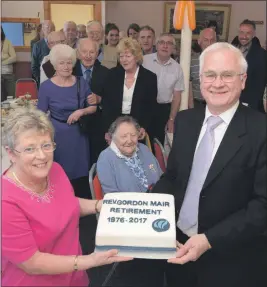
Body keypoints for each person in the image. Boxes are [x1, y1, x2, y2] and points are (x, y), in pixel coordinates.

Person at [153, 42, 267, 287]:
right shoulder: (185, 121)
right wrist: (146, 210)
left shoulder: (261, 130)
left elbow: (262, 205)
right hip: (178, 247)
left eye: (227, 75)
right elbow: (173, 178)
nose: (217, 83)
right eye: (211, 75)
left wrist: (209, 239)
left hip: (231, 259)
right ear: (200, 78)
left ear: (243, 80)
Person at [1, 107, 132, 287]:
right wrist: (90, 261)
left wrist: (101, 205)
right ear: (10, 153)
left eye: (46, 145)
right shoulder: (5, 200)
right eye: (29, 149)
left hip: (74, 277)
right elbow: (31, 263)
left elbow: (67, 205)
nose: (41, 156)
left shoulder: (55, 170)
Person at [37, 44, 96, 199]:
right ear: (55, 65)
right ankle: (61, 203)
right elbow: (40, 115)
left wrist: (81, 111)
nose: (66, 66)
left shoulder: (81, 82)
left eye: (69, 62)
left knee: (80, 173)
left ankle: (81, 208)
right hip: (57, 135)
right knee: (59, 172)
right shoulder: (46, 87)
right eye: (62, 63)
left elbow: (93, 107)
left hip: (78, 135)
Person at [101, 37, 158, 143]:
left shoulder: (149, 77)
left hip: (137, 128)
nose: (124, 59)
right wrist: (108, 130)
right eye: (121, 56)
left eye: (127, 56)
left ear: (136, 57)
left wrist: (143, 127)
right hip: (115, 126)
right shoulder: (112, 75)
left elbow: (150, 107)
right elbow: (106, 105)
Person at [97, 116, 162, 193]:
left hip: (156, 201)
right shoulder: (106, 158)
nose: (129, 140)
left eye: (133, 135)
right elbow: (111, 196)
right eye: (124, 136)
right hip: (127, 204)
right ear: (113, 137)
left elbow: (160, 177)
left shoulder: (143, 149)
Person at [142, 33, 184, 145]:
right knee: (139, 141)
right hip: (143, 108)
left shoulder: (177, 68)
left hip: (163, 111)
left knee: (157, 143)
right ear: (156, 45)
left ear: (173, 48)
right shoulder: (144, 61)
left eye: (169, 43)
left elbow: (177, 97)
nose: (165, 46)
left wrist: (171, 120)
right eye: (162, 42)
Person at [232, 19, 267, 113]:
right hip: (230, 101)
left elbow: (260, 84)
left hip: (250, 105)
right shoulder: (231, 51)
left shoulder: (262, 55)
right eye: (241, 32)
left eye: (248, 33)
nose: (244, 36)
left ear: (253, 34)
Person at [188, 28, 217, 109]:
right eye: (206, 40)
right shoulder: (192, 60)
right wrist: (191, 107)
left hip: (216, 105)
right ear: (199, 42)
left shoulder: (222, 60)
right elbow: (188, 85)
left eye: (212, 40)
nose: (209, 43)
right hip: (196, 105)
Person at [31, 20, 55, 86]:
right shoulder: (37, 45)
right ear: (43, 29)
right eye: (47, 27)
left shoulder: (59, 43)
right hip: (43, 79)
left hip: (58, 79)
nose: (50, 29)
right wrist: (39, 78)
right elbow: (34, 66)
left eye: (52, 28)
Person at [1, 27, 16, 102]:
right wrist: (6, 56)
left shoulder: (7, 42)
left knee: (12, 99)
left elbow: (14, 58)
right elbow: (9, 57)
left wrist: (2, 62)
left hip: (8, 74)